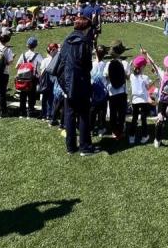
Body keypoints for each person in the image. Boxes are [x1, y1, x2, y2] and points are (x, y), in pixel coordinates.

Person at [56, 16, 99, 156]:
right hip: (80, 83)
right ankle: (85, 147)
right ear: (86, 28)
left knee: (69, 115)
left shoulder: (67, 41)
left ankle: (70, 146)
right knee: (83, 115)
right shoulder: (85, 42)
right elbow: (88, 66)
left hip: (67, 83)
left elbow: (61, 62)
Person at [106, 41, 131, 140]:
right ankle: (120, 130)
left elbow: (105, 76)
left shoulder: (108, 63)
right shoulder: (125, 63)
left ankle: (114, 130)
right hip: (122, 92)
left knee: (113, 112)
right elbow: (128, 77)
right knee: (121, 113)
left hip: (112, 92)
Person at [128, 55, 153, 144]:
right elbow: (148, 87)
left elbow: (128, 73)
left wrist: (130, 65)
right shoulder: (145, 77)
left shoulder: (131, 76)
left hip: (135, 101)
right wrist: (155, 82)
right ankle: (144, 136)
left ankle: (131, 137)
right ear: (142, 67)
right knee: (143, 119)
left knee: (134, 119)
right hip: (143, 101)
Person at [15, 37, 43, 119]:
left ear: (27, 45)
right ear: (35, 46)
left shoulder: (23, 55)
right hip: (32, 78)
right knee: (32, 95)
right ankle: (31, 111)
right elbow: (43, 64)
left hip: (22, 78)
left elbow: (17, 66)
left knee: (22, 95)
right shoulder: (37, 55)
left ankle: (22, 112)